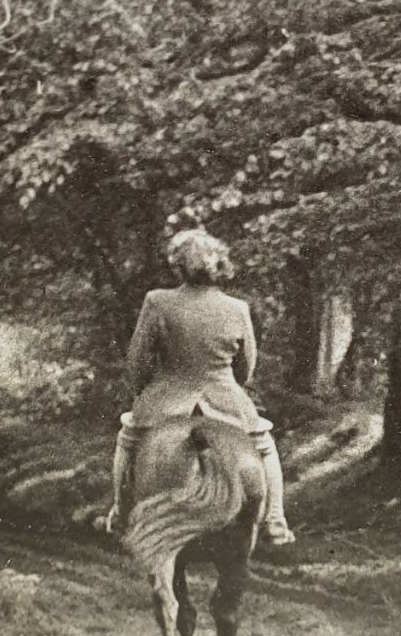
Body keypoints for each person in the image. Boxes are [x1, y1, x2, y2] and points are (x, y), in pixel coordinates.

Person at [105, 227, 296, 546]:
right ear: (218, 266)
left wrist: (145, 392)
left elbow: (137, 362)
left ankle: (120, 512)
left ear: (177, 267)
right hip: (225, 398)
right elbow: (246, 369)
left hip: (166, 400)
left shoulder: (157, 301)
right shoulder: (238, 308)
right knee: (263, 446)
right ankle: (275, 519)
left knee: (127, 439)